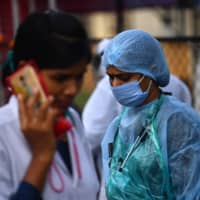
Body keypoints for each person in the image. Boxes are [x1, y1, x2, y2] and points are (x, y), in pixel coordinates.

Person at [0, 10, 99, 200]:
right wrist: (41, 157)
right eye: (60, 78)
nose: (72, 89)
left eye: (79, 76)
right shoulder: (3, 130)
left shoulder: (71, 120)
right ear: (25, 73)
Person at [100, 29, 200, 199]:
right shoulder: (117, 126)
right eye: (111, 77)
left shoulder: (179, 121)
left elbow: (189, 188)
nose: (115, 85)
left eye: (123, 77)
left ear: (151, 70)